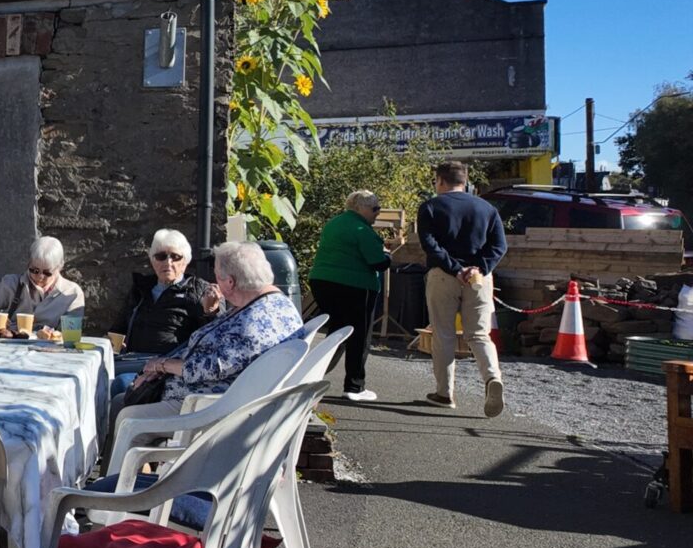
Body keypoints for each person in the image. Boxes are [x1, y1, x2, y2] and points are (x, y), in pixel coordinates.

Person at [118, 242, 306, 426]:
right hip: (207, 398)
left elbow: (209, 368)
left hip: (205, 408)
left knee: (122, 413)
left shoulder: (252, 322)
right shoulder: (273, 304)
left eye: (217, 277)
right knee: (121, 397)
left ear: (230, 282)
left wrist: (161, 365)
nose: (216, 283)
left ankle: (120, 456)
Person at [416, 160, 507, 416]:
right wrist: (479, 267)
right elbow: (499, 246)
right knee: (479, 334)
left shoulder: (431, 207)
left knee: (443, 333)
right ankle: (492, 378)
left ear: (440, 181)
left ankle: (444, 394)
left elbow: (430, 244)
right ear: (465, 181)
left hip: (443, 275)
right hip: (479, 279)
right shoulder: (487, 208)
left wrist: (455, 268)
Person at [310, 191, 399, 402]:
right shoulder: (362, 229)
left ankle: (310, 376)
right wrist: (387, 254)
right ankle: (354, 386)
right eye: (375, 208)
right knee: (359, 336)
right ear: (360, 208)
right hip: (355, 285)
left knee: (336, 334)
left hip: (322, 281)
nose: (378, 212)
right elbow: (377, 262)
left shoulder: (334, 223)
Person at [108, 228, 214, 394]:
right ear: (152, 261)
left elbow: (213, 336)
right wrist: (111, 347)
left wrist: (210, 312)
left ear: (185, 261)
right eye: (161, 256)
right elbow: (118, 327)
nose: (168, 262)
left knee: (122, 383)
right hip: (132, 358)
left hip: (167, 366)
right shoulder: (142, 288)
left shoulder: (199, 291)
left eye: (175, 257)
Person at [0, 235, 85, 333]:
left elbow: (70, 334)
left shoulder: (72, 293)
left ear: (60, 267)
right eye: (34, 270)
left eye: (47, 272)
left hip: (48, 353)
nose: (40, 276)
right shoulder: (11, 284)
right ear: (28, 263)